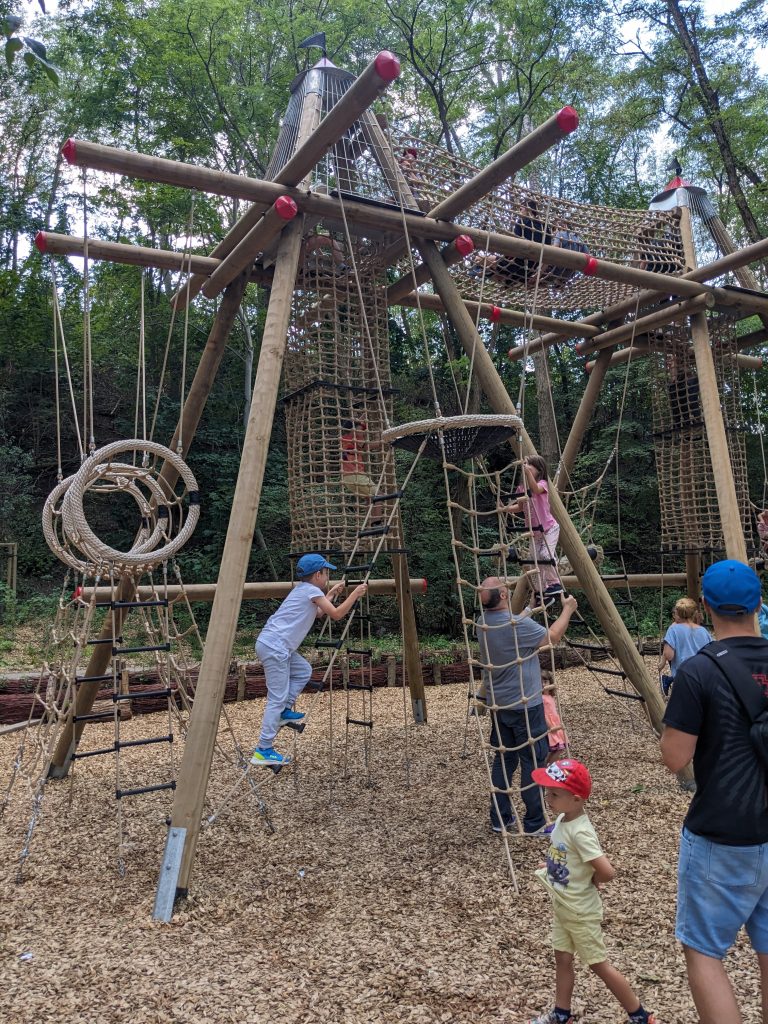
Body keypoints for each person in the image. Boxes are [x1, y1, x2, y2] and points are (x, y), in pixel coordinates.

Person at [660, 559, 768, 1024]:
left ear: (705, 607)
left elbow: (675, 757)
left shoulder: (699, 673)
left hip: (722, 831)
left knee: (705, 951)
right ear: (759, 603)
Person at [528, 758, 658, 1024]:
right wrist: (551, 865)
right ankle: (561, 1014)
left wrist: (594, 879)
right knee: (562, 958)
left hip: (580, 912)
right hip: (564, 907)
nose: (547, 798)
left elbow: (607, 871)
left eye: (554, 793)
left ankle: (640, 1015)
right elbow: (567, 858)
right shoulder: (563, 820)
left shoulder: (581, 832)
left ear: (576, 799)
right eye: (546, 792)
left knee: (599, 964)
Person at [476, 576, 578, 834]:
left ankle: (500, 818)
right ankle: (534, 822)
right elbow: (552, 637)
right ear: (502, 596)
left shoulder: (482, 623)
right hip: (525, 706)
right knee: (533, 760)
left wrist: (529, 609)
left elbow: (514, 624)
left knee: (504, 760)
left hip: (499, 706)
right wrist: (568, 609)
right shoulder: (516, 626)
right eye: (505, 588)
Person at [252, 554, 367, 768]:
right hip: (275, 647)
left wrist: (331, 594)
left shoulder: (303, 590)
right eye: (326, 574)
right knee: (276, 698)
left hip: (274, 644)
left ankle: (284, 710)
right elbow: (337, 615)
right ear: (318, 574)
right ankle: (263, 749)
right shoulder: (312, 591)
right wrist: (355, 595)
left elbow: (319, 614)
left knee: (303, 670)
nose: (327, 577)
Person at [502, 455, 562, 606]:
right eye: (526, 465)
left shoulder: (542, 484)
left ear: (539, 470)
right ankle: (542, 592)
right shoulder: (522, 488)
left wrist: (526, 471)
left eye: (530, 465)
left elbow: (535, 489)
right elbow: (520, 508)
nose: (526, 467)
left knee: (545, 555)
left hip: (549, 528)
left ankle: (555, 583)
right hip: (535, 533)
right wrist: (505, 509)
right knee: (534, 562)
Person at [658, 596, 712, 697]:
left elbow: (669, 655)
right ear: (694, 613)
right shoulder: (703, 631)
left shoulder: (673, 630)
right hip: (702, 676)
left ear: (678, 613)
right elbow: (710, 652)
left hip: (683, 676)